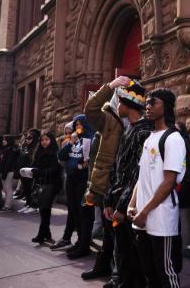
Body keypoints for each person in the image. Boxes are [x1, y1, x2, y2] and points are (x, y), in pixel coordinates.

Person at [128, 88, 186, 288]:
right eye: (147, 102)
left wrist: (145, 211)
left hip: (160, 218)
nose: (148, 106)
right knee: (149, 273)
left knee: (165, 273)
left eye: (154, 102)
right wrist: (132, 204)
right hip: (142, 217)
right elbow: (142, 177)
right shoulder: (149, 137)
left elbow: (169, 181)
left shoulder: (173, 138)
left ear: (167, 106)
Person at [103, 79, 153, 288]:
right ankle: (120, 281)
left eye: (120, 102)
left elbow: (136, 175)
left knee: (134, 253)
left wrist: (123, 207)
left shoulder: (143, 132)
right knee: (121, 249)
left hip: (132, 204)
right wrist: (108, 199)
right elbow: (118, 167)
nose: (118, 106)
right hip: (118, 199)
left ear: (129, 105)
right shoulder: (129, 129)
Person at [80, 76, 126, 281]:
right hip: (107, 181)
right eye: (120, 95)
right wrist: (111, 86)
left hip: (125, 183)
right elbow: (90, 109)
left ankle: (117, 271)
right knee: (109, 230)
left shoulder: (138, 121)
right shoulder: (109, 119)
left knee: (117, 231)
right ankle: (105, 267)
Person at [52, 114, 94, 259]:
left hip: (83, 180)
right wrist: (70, 142)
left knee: (83, 212)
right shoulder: (73, 140)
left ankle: (84, 244)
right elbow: (61, 156)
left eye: (80, 124)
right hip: (71, 179)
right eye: (76, 125)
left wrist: (83, 165)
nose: (78, 127)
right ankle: (79, 241)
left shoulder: (91, 139)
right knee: (74, 211)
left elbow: (90, 160)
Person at [30, 132, 62, 244]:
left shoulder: (55, 153)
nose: (44, 142)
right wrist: (31, 170)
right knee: (43, 209)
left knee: (44, 208)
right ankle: (46, 234)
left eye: (46, 139)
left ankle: (41, 235)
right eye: (42, 140)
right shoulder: (38, 152)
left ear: (51, 140)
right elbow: (35, 165)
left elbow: (55, 170)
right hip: (40, 183)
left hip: (51, 184)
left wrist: (40, 172)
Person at [17, 129, 41, 213]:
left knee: (31, 188)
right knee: (26, 188)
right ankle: (27, 204)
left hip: (31, 170)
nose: (27, 139)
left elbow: (35, 159)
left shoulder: (37, 147)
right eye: (27, 138)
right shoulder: (26, 146)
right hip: (24, 170)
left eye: (30, 138)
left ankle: (32, 205)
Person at [0, 136, 19, 211]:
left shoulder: (11, 150)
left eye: (5, 140)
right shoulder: (6, 149)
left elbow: (9, 163)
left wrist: (4, 173)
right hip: (6, 171)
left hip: (9, 171)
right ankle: (8, 204)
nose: (3, 141)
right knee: (5, 189)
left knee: (8, 188)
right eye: (3, 139)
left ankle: (8, 205)